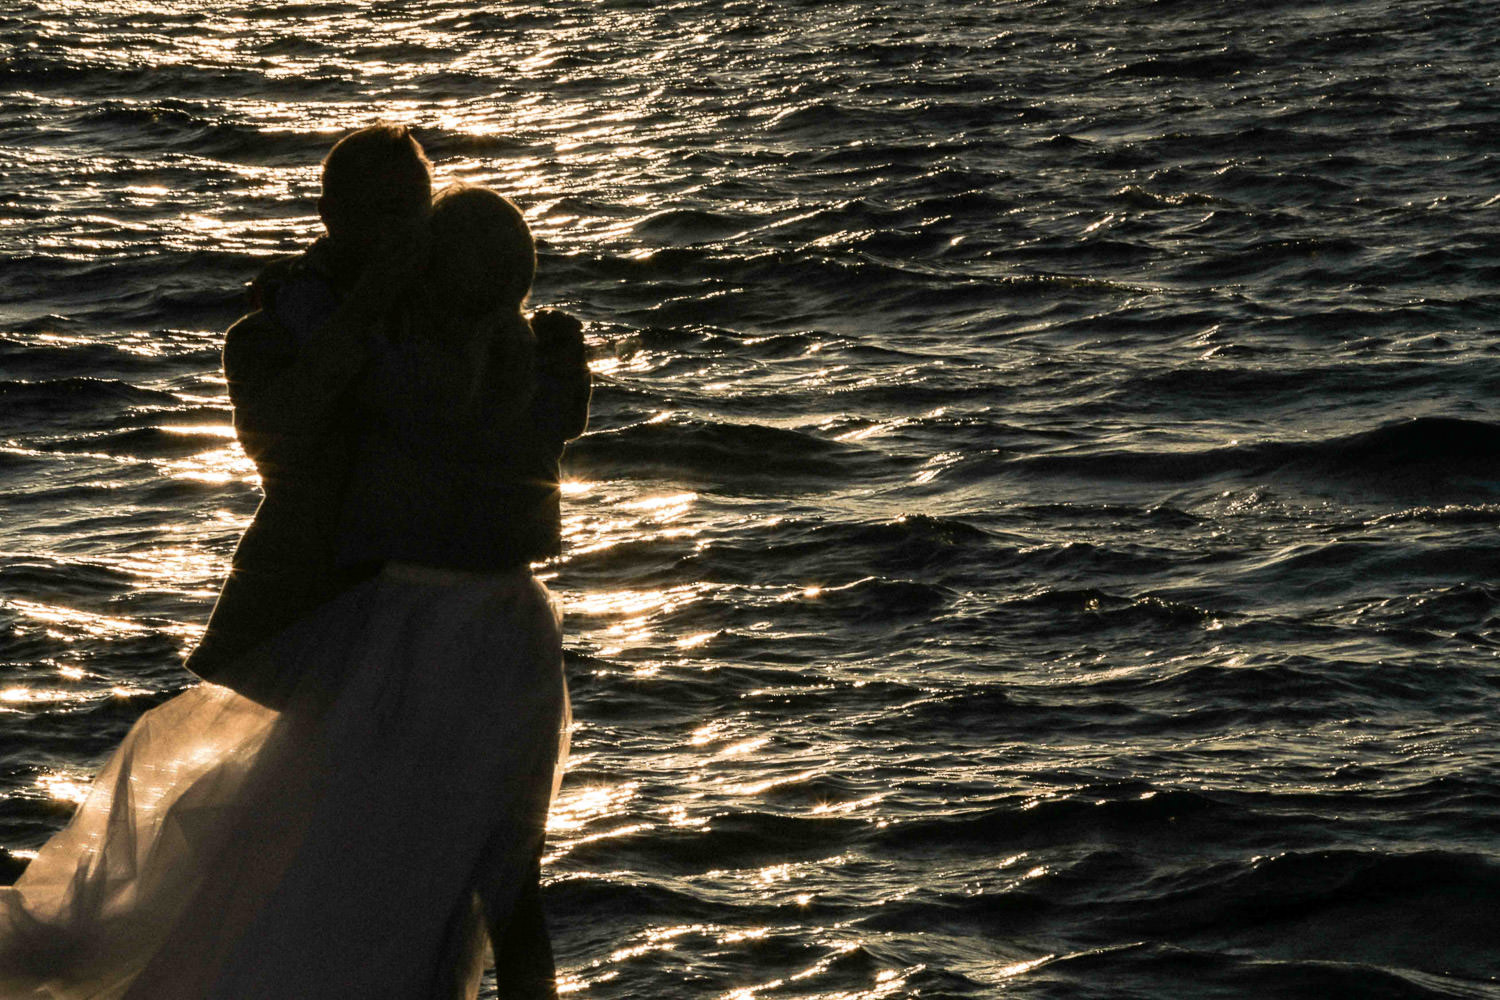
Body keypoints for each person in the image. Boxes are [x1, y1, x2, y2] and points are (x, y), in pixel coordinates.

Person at [0, 143, 588, 998]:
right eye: (383, 212)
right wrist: (353, 308)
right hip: (336, 633)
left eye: (414, 210)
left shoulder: (473, 330)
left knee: (493, 878)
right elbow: (291, 428)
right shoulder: (278, 329)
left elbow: (518, 419)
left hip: (449, 633)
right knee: (302, 872)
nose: (404, 231)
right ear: (333, 219)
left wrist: (533, 344)